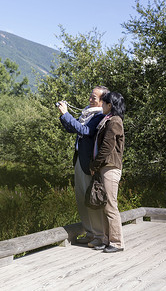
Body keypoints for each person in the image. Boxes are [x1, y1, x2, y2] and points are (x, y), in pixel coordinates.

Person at [57, 86, 109, 248]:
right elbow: (71, 128)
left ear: (102, 102)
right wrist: (63, 115)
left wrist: (66, 114)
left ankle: (99, 235)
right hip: (79, 159)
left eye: (94, 97)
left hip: (89, 163)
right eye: (91, 96)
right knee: (81, 197)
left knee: (91, 198)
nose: (90, 99)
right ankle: (89, 233)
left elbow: (85, 131)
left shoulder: (99, 116)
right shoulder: (86, 113)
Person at [90, 92, 126, 253]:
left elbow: (107, 146)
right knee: (105, 205)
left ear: (109, 105)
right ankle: (106, 239)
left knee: (111, 205)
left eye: (103, 103)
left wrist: (94, 165)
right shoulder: (108, 120)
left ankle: (117, 243)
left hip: (110, 167)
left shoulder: (115, 121)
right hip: (105, 167)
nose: (101, 106)